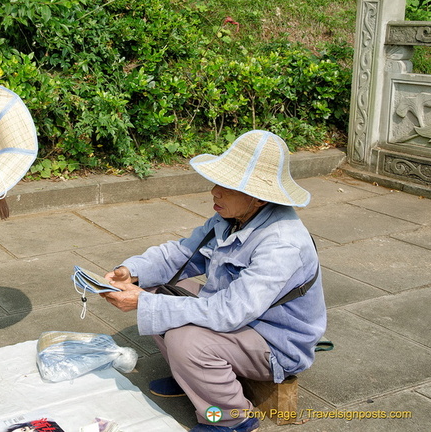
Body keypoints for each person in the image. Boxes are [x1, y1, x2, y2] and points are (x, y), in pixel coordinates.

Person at [101, 130, 326, 432]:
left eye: (227, 186)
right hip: (240, 319)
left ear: (257, 198)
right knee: (154, 290)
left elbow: (231, 312)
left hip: (275, 343)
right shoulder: (231, 218)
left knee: (184, 338)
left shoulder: (282, 244)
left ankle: (232, 419)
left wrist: (145, 303)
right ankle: (194, 378)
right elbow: (180, 255)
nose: (214, 192)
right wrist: (131, 272)